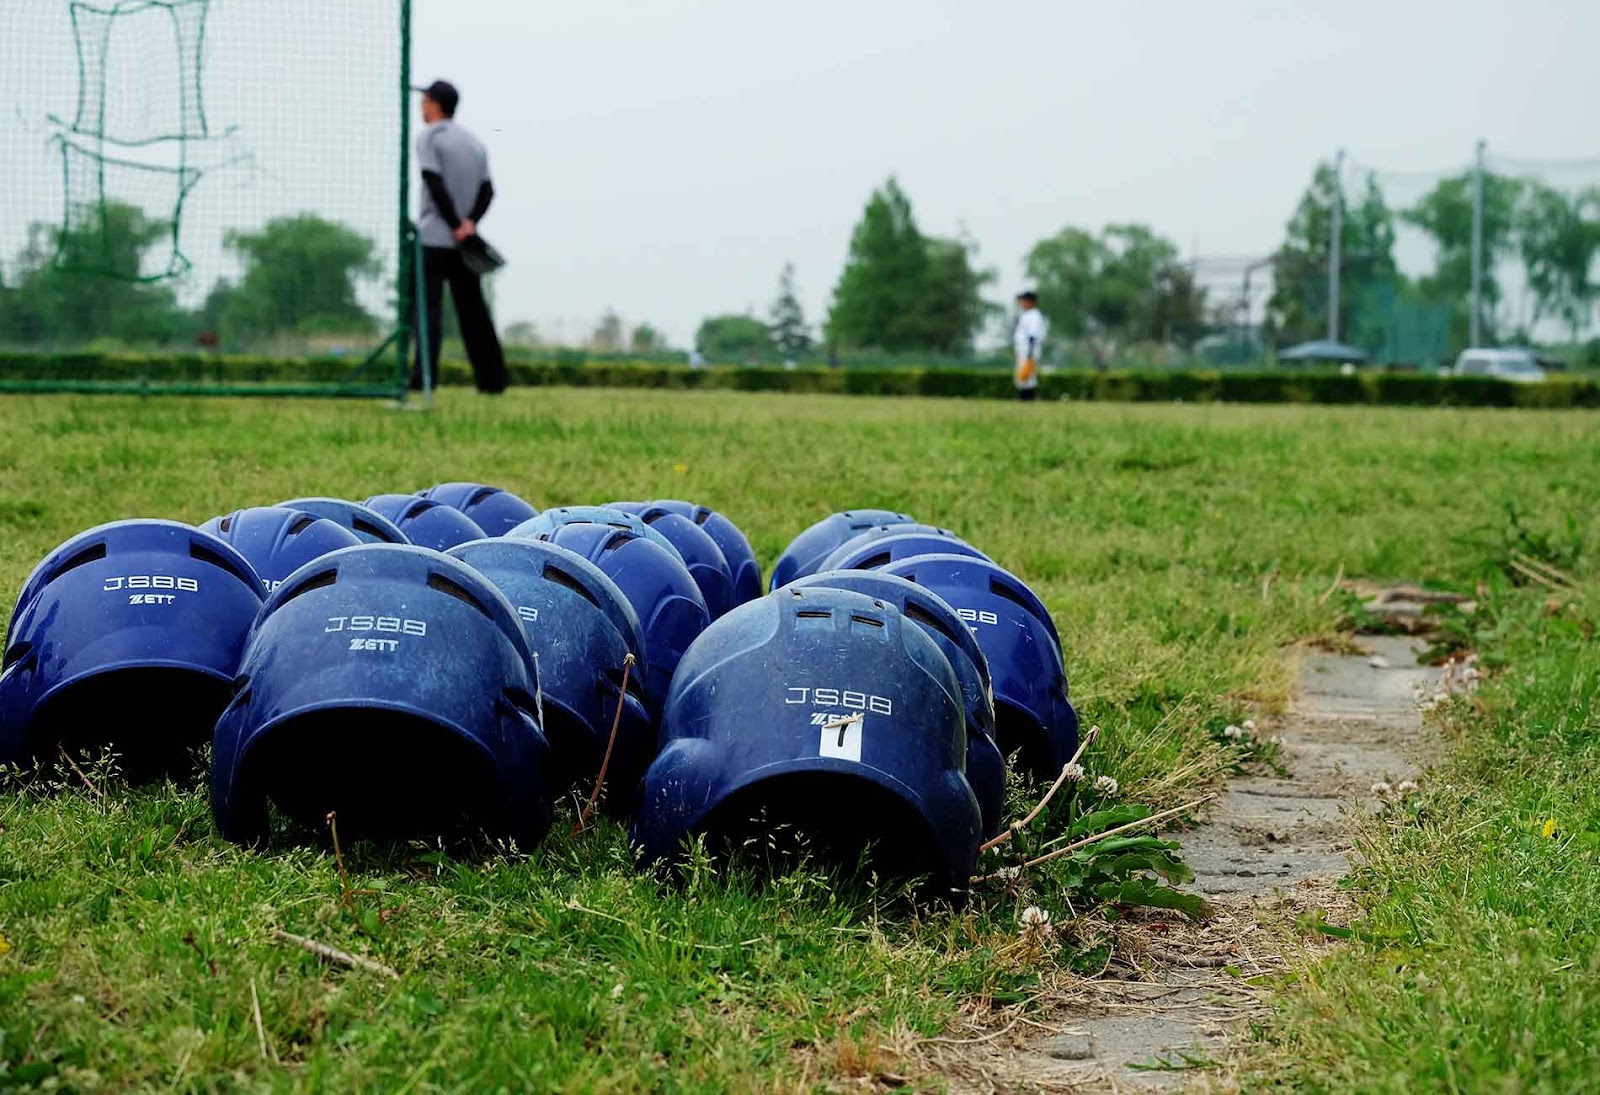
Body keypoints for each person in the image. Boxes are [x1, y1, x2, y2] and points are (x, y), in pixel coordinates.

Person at [412, 79, 508, 394]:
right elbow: (488, 190)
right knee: (474, 313)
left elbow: (433, 181)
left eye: (424, 101)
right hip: (464, 242)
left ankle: (424, 379)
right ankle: (493, 381)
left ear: (435, 105)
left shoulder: (430, 137)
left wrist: (453, 222)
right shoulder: (474, 142)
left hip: (434, 238)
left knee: (429, 311)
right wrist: (469, 224)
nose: (421, 107)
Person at [1013, 289, 1046, 401]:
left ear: (1030, 301)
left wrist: (1030, 354)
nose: (1021, 303)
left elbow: (1033, 335)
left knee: (1028, 375)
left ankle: (1028, 398)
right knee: (1022, 374)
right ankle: (1023, 397)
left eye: (1024, 300)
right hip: (1023, 349)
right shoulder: (1026, 315)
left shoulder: (1034, 315)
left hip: (1028, 349)